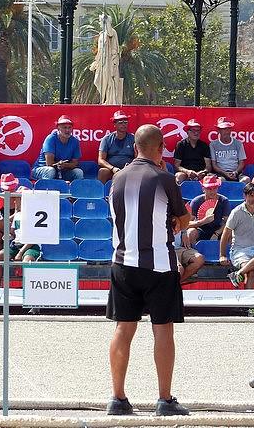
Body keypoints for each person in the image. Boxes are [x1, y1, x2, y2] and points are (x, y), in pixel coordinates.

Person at [106, 124, 191, 417]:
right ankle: (164, 400)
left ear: (134, 147)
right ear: (162, 147)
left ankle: (117, 398)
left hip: (123, 263)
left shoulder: (116, 179)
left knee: (123, 328)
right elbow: (185, 220)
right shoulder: (165, 179)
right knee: (163, 328)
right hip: (159, 265)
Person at [0, 183, 41, 288]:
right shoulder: (17, 215)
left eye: (19, 199)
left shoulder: (35, 215)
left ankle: (28, 291)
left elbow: (33, 239)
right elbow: (13, 233)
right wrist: (8, 236)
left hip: (30, 246)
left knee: (27, 261)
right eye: (17, 198)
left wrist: (20, 253)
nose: (16, 201)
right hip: (16, 244)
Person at [31, 116, 83, 181]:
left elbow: (75, 163)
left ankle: (76, 191)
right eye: (64, 127)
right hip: (42, 168)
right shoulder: (50, 139)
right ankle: (47, 189)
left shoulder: (75, 141)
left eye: (69, 127)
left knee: (78, 172)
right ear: (58, 128)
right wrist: (61, 165)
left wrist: (65, 165)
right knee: (50, 171)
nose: (67, 130)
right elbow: (49, 163)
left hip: (63, 171)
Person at [186, 174, 230, 245]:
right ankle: (194, 252)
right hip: (201, 229)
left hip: (218, 229)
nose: (212, 191)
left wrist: (217, 233)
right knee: (191, 232)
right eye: (209, 188)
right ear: (203, 189)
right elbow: (187, 223)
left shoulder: (224, 200)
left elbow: (228, 222)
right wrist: (202, 222)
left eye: (214, 188)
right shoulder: (196, 201)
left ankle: (225, 253)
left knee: (230, 233)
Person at [98, 111, 136, 183]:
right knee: (102, 171)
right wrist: (113, 168)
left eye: (125, 122)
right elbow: (100, 160)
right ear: (114, 124)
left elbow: (138, 157)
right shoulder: (107, 139)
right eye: (120, 123)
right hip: (112, 170)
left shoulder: (133, 138)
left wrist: (131, 166)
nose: (124, 125)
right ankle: (101, 193)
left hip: (129, 169)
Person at [209, 116, 249, 184]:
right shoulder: (213, 144)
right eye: (223, 129)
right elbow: (214, 165)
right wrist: (225, 173)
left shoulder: (238, 143)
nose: (226, 132)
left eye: (228, 129)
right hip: (220, 174)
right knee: (221, 181)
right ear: (218, 130)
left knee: (246, 180)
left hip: (236, 173)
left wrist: (235, 172)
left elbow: (241, 163)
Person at [173, 119, 212, 185]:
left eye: (198, 130)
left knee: (211, 177)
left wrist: (204, 172)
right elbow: (177, 165)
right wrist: (187, 171)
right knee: (178, 176)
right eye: (193, 130)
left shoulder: (204, 145)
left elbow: (208, 166)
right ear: (187, 132)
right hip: (185, 173)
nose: (196, 133)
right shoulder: (181, 144)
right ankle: (178, 195)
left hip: (201, 174)